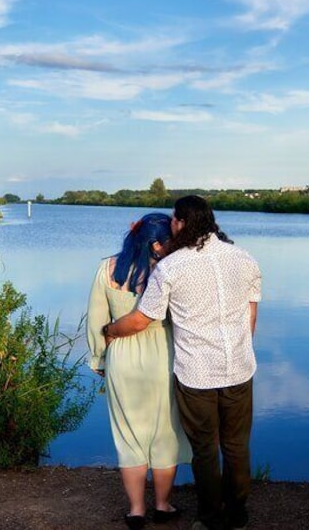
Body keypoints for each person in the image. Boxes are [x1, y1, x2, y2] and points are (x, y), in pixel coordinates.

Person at [103, 195, 261, 530]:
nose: (172, 225)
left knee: (205, 449)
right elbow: (250, 317)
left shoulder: (172, 267)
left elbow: (142, 320)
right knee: (236, 446)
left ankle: (211, 519)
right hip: (239, 368)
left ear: (182, 223)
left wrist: (109, 330)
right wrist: (236, 350)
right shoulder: (244, 258)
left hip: (197, 374)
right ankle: (238, 514)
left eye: (174, 220)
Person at [86, 212, 192, 530]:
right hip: (164, 355)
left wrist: (99, 360)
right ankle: (162, 504)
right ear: (157, 244)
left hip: (122, 357)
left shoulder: (107, 269)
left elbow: (96, 320)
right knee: (164, 433)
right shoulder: (170, 271)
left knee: (128, 436)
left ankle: (136, 510)